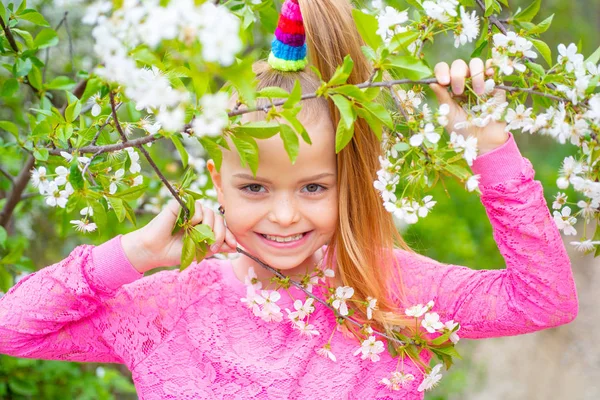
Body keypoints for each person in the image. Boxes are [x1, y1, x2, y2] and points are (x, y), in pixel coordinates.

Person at [0, 0, 579, 398]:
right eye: (254, 187)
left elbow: (544, 301)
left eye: (313, 188)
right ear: (215, 180)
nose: (283, 215)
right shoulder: (170, 305)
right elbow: (11, 328)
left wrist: (490, 143)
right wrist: (137, 252)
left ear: (347, 184)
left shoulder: (391, 290)